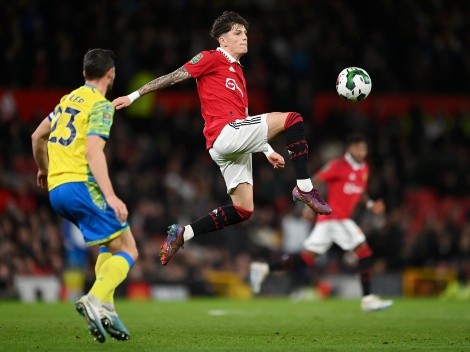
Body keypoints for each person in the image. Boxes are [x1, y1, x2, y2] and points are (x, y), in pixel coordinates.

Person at [112, 11, 332, 266]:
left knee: (243, 209)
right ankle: (305, 188)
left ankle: (184, 233)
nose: (244, 37)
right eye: (237, 33)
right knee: (293, 119)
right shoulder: (211, 58)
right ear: (222, 40)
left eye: (246, 33)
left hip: (232, 142)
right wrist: (134, 96)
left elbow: (247, 118)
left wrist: (266, 149)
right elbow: (173, 76)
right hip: (225, 133)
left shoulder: (238, 73)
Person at [31, 48, 138, 343]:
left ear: (83, 73)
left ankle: (107, 310)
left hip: (56, 190)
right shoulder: (101, 106)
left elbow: (37, 136)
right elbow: (93, 152)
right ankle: (93, 299)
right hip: (81, 186)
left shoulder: (66, 101)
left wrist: (43, 169)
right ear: (111, 74)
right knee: (129, 248)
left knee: (110, 244)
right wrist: (111, 196)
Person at [250, 133, 394, 312]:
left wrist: (371, 204)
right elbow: (315, 180)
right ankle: (368, 299)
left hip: (331, 222)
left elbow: (360, 191)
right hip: (335, 218)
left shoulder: (364, 169)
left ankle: (263, 268)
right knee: (364, 252)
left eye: (364, 148)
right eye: (358, 147)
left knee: (306, 258)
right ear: (349, 148)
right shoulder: (337, 165)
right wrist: (310, 204)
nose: (361, 151)